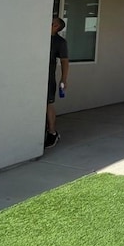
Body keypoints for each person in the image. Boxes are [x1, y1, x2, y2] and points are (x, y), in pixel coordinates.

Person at [46, 16, 69, 148]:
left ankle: (52, 133)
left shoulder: (60, 42)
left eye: (51, 22)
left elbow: (65, 61)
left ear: (56, 27)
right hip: (34, 77)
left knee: (48, 104)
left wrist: (63, 79)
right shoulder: (40, 36)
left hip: (48, 79)